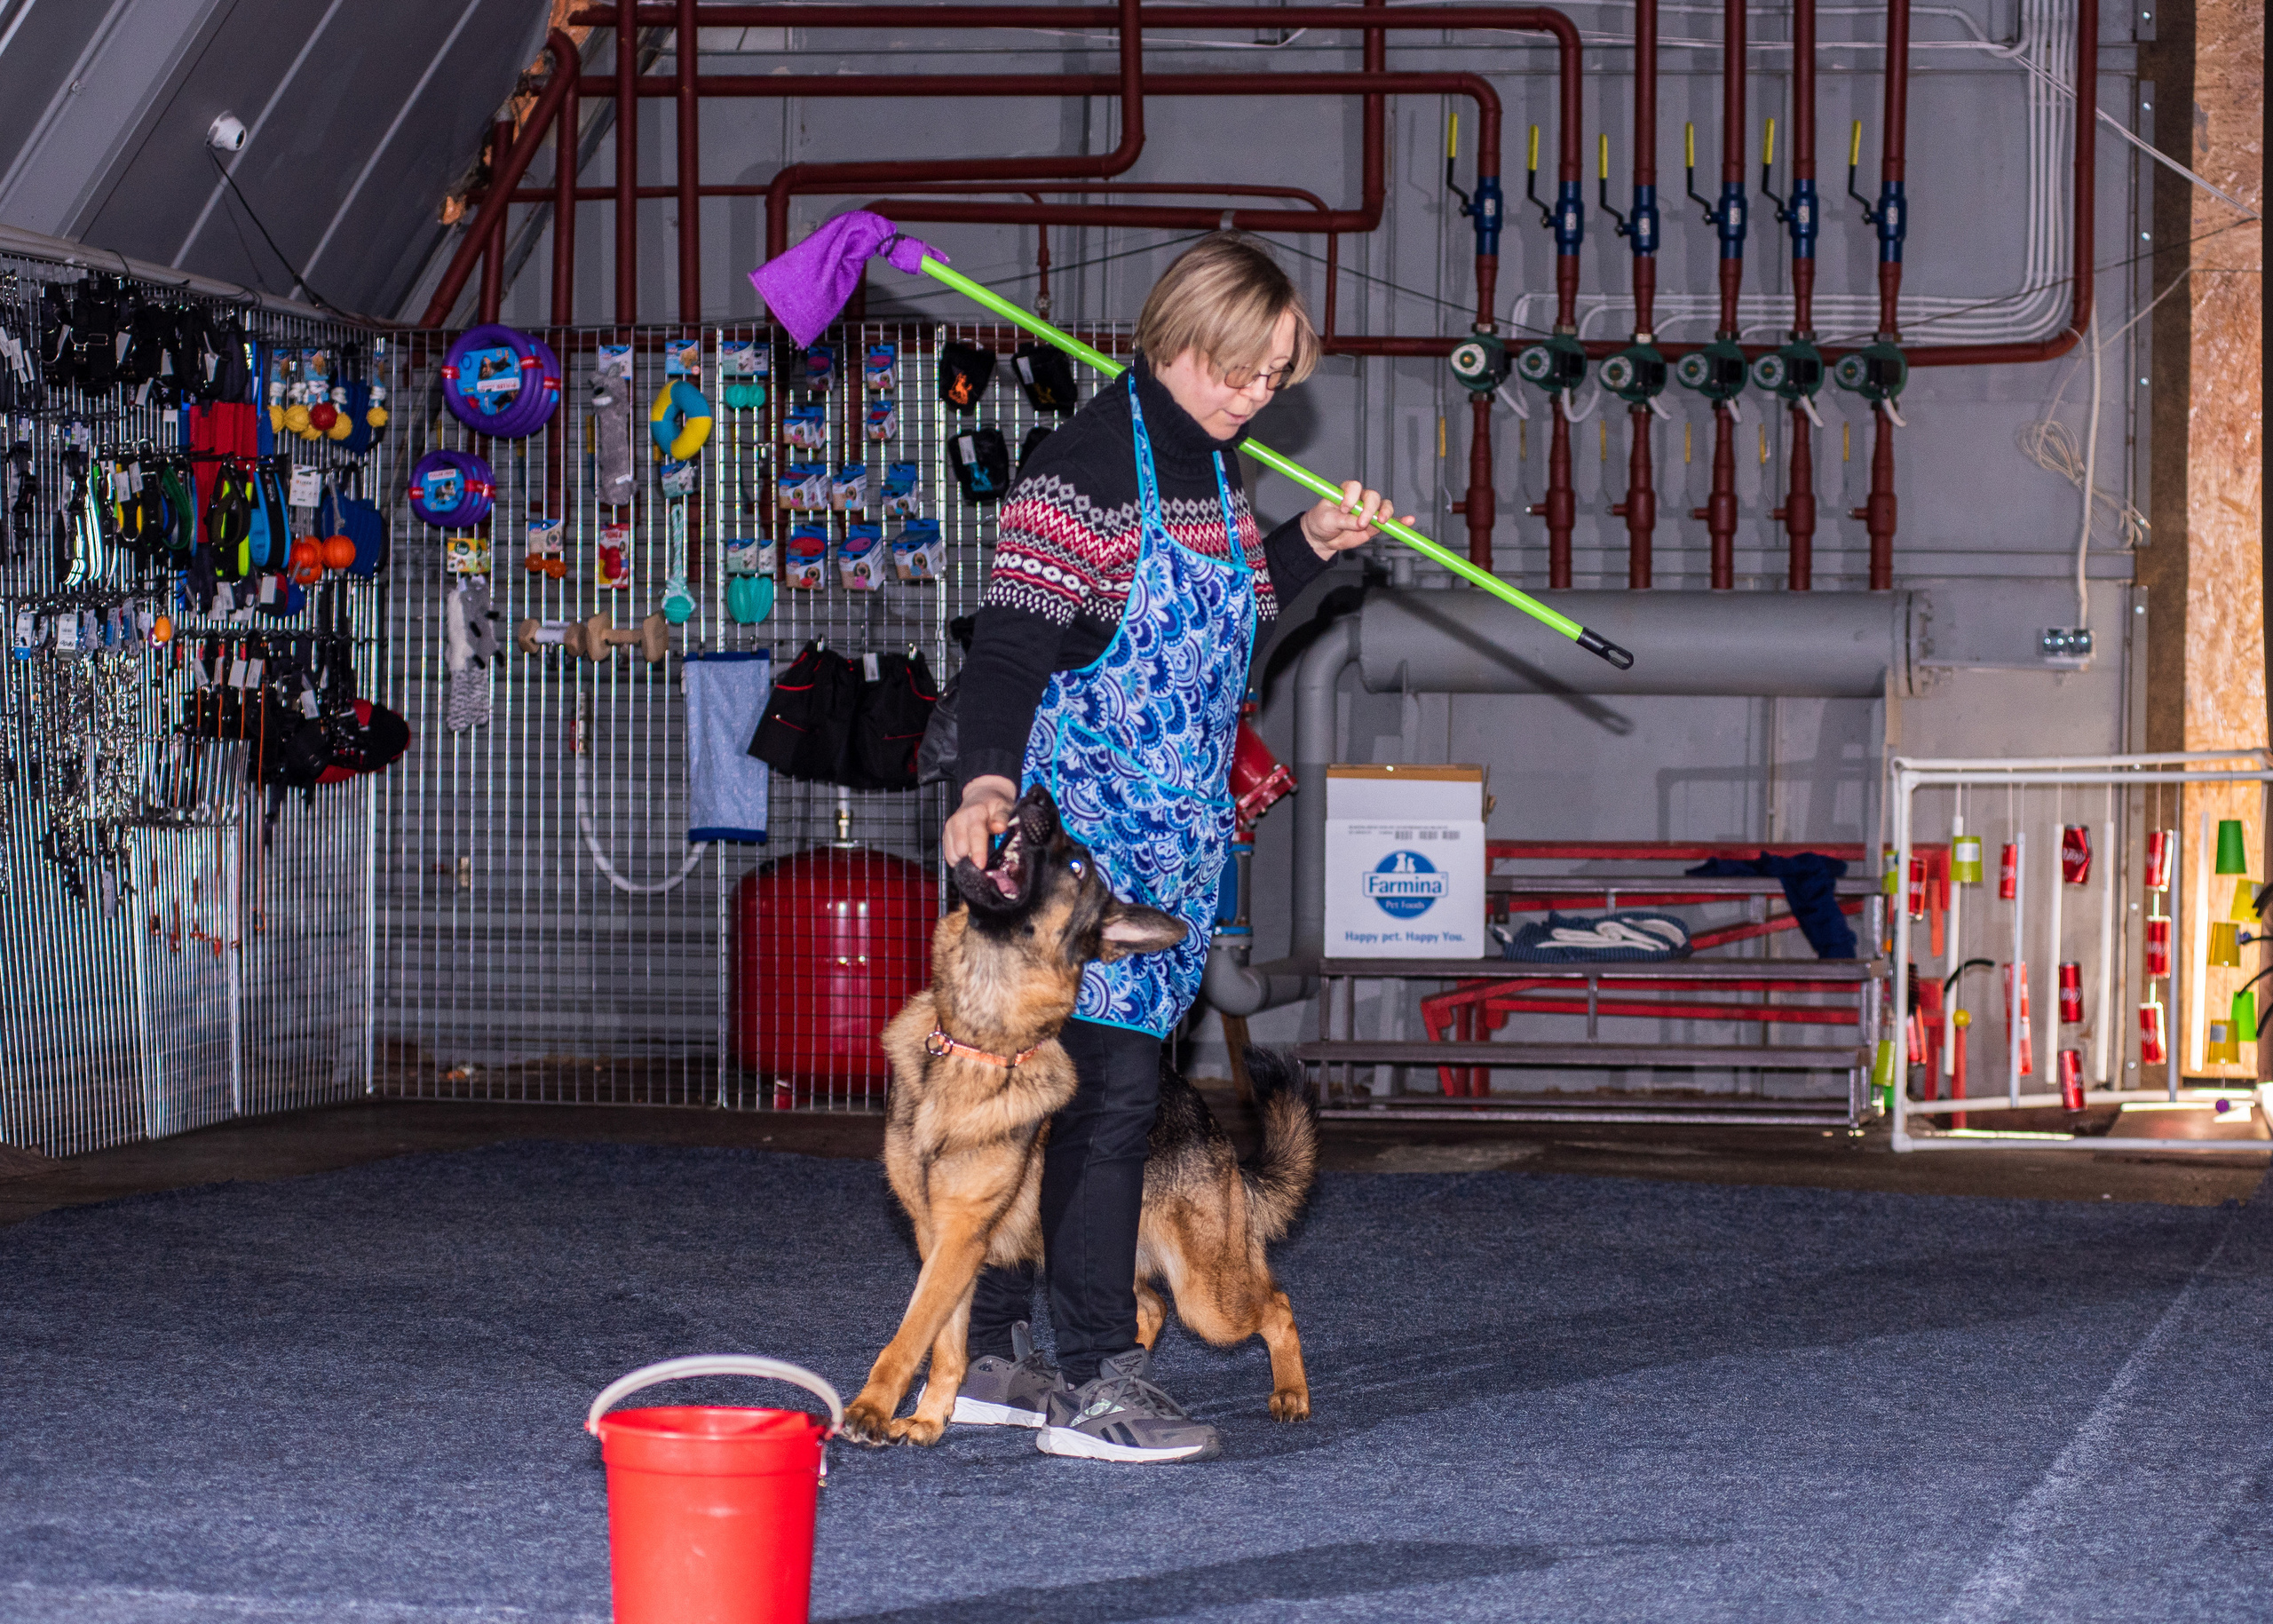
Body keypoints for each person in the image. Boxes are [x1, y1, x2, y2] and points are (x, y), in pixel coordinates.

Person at [940, 233, 1407, 1463]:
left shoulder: (1210, 470)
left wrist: (1309, 546)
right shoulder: (1081, 472)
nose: (1260, 395)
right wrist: (984, 782)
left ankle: (992, 1350)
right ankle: (1099, 1376)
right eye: (1245, 371)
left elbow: (1231, 641)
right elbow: (1008, 653)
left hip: (1175, 853)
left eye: (1277, 378)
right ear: (1183, 339)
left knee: (1057, 1108)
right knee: (1100, 1109)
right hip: (1071, 863)